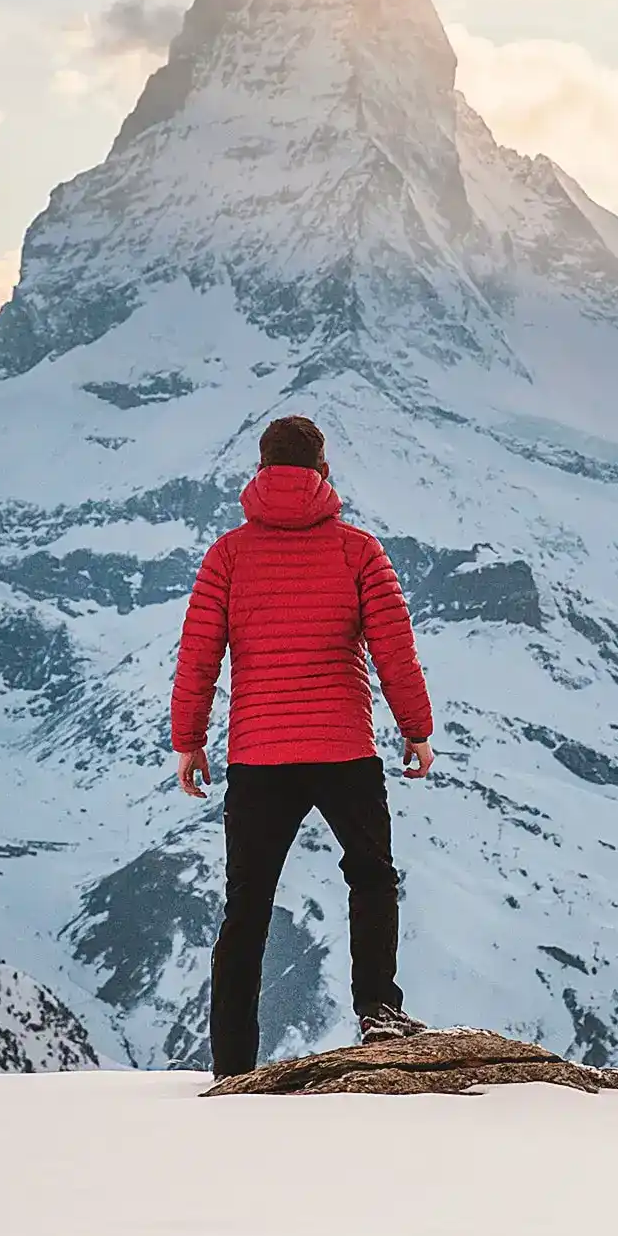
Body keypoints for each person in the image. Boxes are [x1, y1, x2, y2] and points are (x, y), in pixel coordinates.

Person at [172, 413, 436, 1078]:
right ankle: (378, 1007)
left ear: (260, 470)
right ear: (323, 470)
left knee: (247, 908)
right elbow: (393, 652)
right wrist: (417, 730)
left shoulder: (228, 555)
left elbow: (199, 655)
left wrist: (189, 740)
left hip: (259, 758)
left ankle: (232, 1064)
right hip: (343, 749)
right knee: (370, 875)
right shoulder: (358, 550)